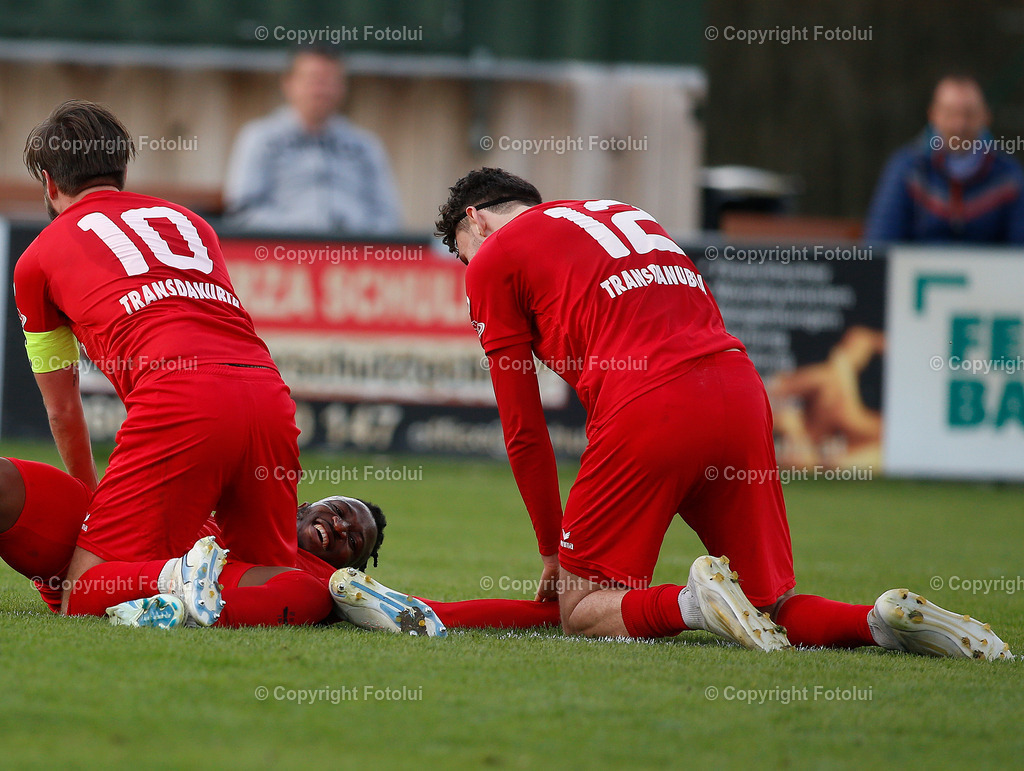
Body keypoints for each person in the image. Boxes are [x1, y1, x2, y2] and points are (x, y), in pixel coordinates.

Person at [426, 166, 1013, 660]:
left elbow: (523, 429)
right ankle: (879, 622)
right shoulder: (621, 213)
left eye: (463, 253)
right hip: (739, 391)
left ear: (476, 220)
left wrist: (551, 550)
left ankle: (690, 603)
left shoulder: (493, 256)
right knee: (767, 606)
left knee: (580, 610)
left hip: (650, 407)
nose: (469, 268)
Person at [17, 99, 324, 628]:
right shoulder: (191, 222)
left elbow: (62, 411)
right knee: (270, 583)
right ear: (122, 168)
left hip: (181, 399)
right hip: (268, 396)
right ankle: (343, 594)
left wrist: (93, 506)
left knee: (84, 593)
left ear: (48, 182)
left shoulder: (36, 259)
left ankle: (175, 577)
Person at [0, 455, 559, 632]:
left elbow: (446, 613)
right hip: (97, 544)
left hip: (125, 587)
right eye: (340, 512)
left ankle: (177, 601)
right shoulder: (250, 505)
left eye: (354, 541)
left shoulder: (319, 578)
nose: (343, 528)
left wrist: (559, 612)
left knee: (312, 596)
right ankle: (178, 587)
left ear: (354, 566)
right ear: (302, 506)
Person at [224, 46, 402, 234]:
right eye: (313, 80)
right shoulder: (260, 138)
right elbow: (242, 214)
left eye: (330, 81)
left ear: (343, 87)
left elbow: (388, 218)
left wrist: (354, 234)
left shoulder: (365, 145)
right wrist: (304, 232)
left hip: (354, 248)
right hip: (283, 248)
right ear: (288, 84)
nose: (321, 90)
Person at [865, 74, 1024, 243]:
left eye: (969, 114)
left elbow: (1019, 246)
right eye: (950, 114)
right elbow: (880, 242)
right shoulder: (906, 169)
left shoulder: (1009, 175)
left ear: (986, 116)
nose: (959, 125)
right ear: (933, 115)